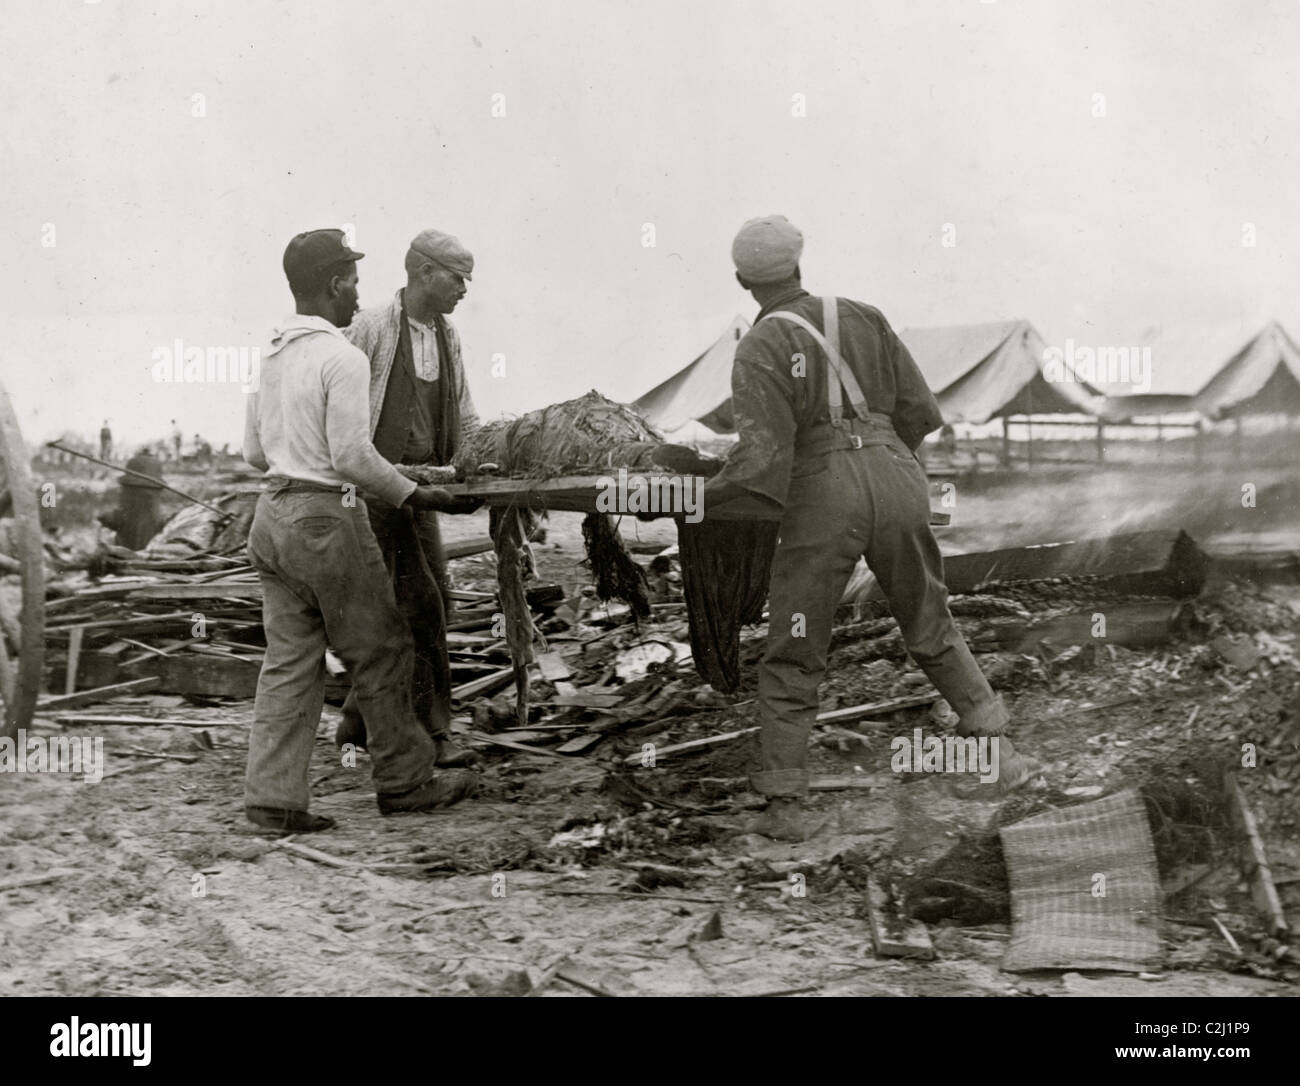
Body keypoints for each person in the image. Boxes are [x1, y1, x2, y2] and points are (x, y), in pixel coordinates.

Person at [701, 215, 1040, 841]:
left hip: (824, 495)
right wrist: (883, 461)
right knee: (929, 622)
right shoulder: (866, 315)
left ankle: (785, 807)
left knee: (795, 651)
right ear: (801, 264)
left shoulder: (759, 347)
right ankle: (1002, 759)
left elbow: (761, 461)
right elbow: (919, 414)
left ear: (742, 279)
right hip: (897, 475)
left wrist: (700, 494)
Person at [241, 228, 478, 833]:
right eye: (350, 282)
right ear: (331, 285)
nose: (356, 294)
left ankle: (273, 801)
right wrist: (416, 492)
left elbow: (252, 453)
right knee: (384, 645)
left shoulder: (270, 355)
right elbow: (351, 455)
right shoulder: (343, 357)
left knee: (289, 662)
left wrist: (297, 464)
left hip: (271, 519)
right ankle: (405, 782)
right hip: (327, 517)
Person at [335, 229, 483, 768]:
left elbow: (464, 412)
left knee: (430, 601)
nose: (464, 289)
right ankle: (425, 734)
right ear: (423, 272)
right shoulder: (369, 327)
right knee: (391, 610)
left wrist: (477, 467)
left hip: (424, 493)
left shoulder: (450, 337)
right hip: (373, 492)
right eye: (457, 277)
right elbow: (341, 413)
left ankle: (366, 726)